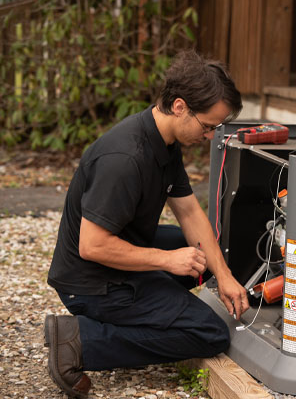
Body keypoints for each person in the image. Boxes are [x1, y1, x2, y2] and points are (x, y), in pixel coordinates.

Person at [44, 50, 249, 398]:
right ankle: (80, 339)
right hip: (91, 280)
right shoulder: (125, 159)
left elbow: (188, 213)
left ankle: (152, 299)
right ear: (181, 106)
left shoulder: (164, 141)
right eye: (209, 126)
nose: (211, 136)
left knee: (204, 257)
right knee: (209, 333)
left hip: (116, 255)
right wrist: (166, 260)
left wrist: (225, 276)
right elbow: (91, 246)